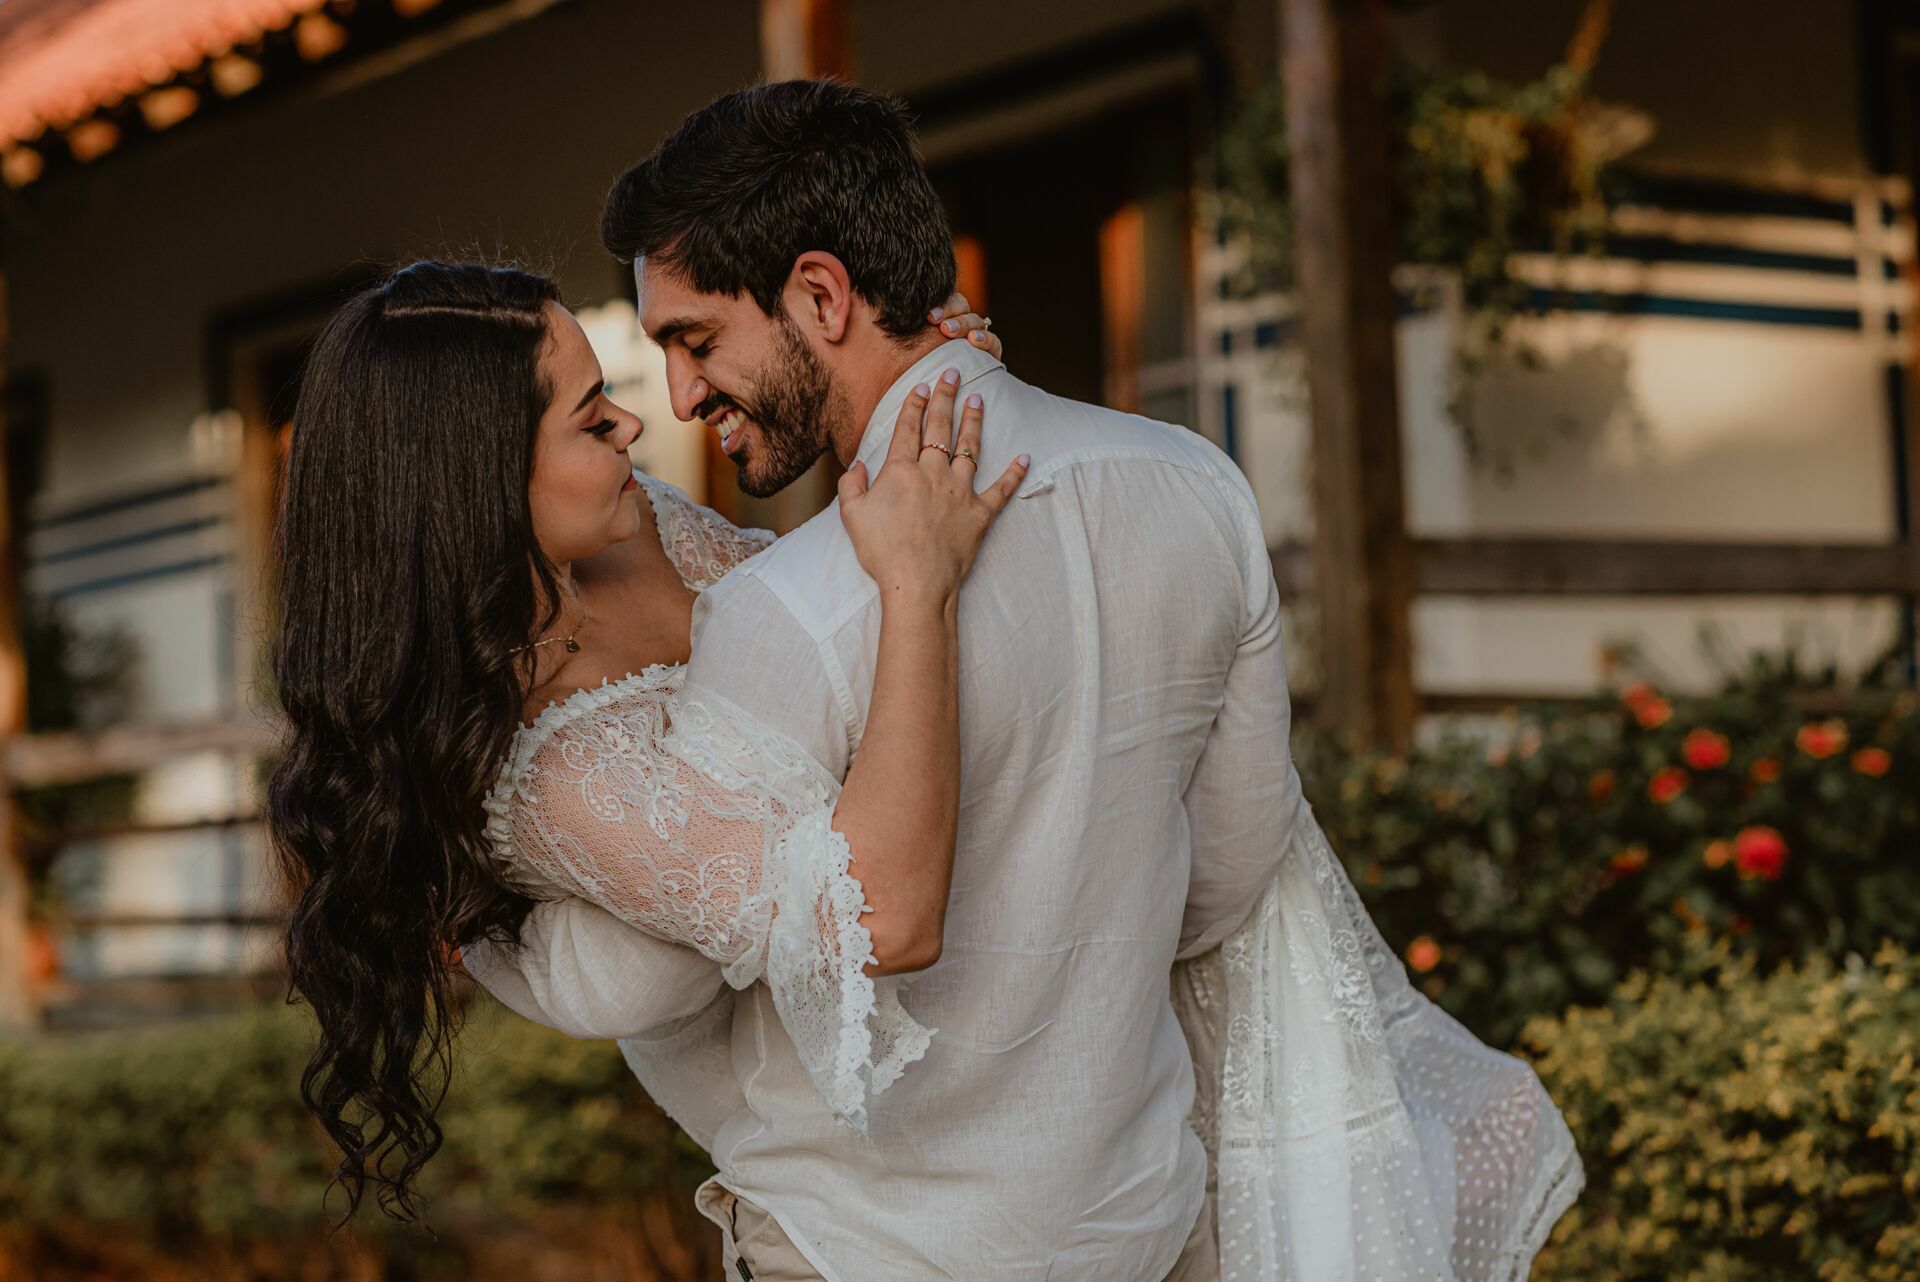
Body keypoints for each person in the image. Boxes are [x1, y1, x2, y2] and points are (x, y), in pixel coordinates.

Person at [464, 78, 1581, 1282]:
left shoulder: (782, 615)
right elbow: (1230, 869)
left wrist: (487, 905)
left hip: (870, 1247)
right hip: (1134, 1223)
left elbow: (668, 963)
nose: (679, 396)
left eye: (695, 341)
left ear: (823, 296)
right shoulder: (1195, 486)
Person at [267, 256, 1021, 1226]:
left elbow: (827, 615)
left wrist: (917, 396)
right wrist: (919, 587)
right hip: (852, 1204)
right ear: (478, 483)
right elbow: (875, 921)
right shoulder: (542, 776)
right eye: (592, 419)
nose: (633, 424)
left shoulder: (639, 527)